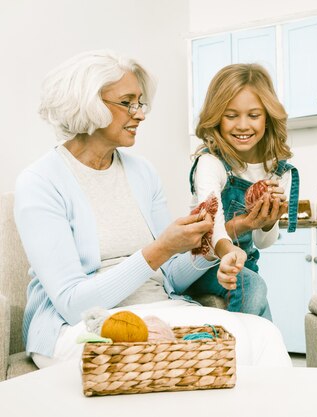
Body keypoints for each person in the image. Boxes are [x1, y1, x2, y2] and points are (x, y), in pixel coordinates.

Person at [13, 50, 292, 368]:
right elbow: (73, 304)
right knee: (192, 358)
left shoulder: (142, 172)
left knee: (263, 336)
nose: (140, 113)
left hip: (162, 308)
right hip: (85, 325)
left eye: (140, 102)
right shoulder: (40, 182)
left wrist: (204, 248)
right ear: (87, 103)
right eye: (127, 103)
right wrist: (160, 249)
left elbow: (170, 278)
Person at [188, 63, 300, 320]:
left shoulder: (278, 170)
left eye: (253, 115)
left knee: (269, 334)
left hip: (245, 265)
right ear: (216, 117)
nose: (242, 125)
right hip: (204, 265)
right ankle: (238, 356)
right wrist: (244, 230)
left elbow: (263, 242)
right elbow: (211, 228)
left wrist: (269, 222)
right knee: (253, 287)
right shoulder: (211, 163)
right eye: (230, 115)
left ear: (267, 117)